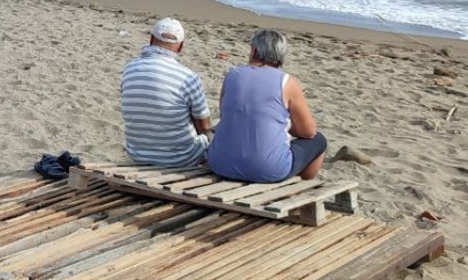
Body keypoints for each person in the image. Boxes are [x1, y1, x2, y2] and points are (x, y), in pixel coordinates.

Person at [208, 29, 328, 183]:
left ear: (254, 50)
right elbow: (308, 132)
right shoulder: (287, 82)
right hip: (267, 170)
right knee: (319, 141)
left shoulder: (232, 75)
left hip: (219, 163)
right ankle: (300, 186)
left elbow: (227, 115)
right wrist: (287, 126)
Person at [120, 18, 212, 166]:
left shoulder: (129, 69)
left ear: (151, 40)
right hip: (181, 159)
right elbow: (204, 126)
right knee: (210, 133)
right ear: (181, 47)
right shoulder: (188, 77)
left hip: (137, 155)